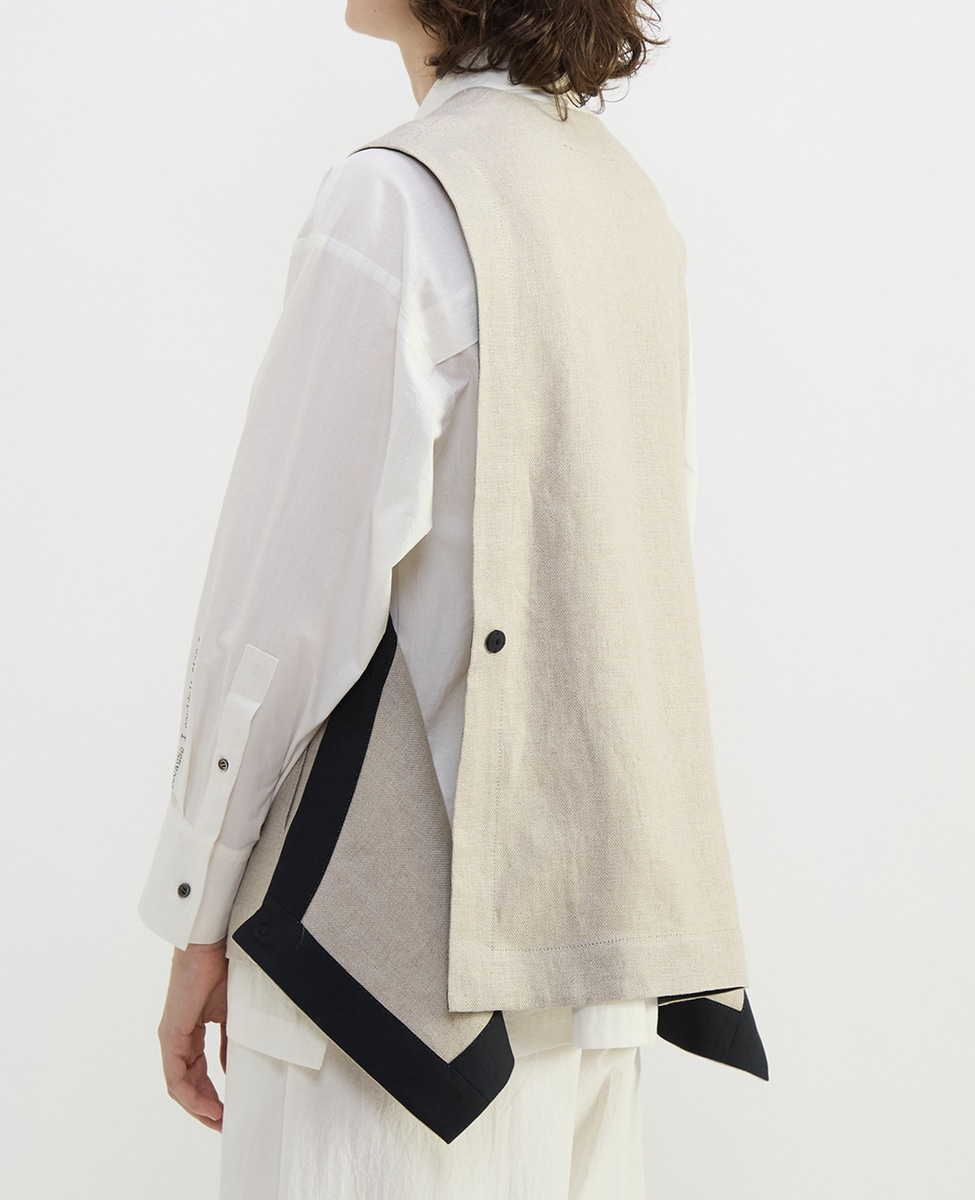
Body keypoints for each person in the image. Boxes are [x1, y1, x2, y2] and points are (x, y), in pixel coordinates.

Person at [138, 1, 767, 1196]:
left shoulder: (395, 199)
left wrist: (195, 905)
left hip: (377, 973)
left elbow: (284, 598)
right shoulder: (629, 204)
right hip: (596, 950)